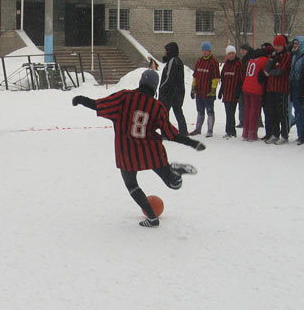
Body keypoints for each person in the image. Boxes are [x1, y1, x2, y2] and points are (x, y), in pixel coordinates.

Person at [72, 70, 206, 227]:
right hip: (151, 152)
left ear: (141, 82)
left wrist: (80, 99)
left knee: (132, 185)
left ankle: (152, 218)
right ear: (155, 87)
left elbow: (99, 105)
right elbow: (171, 134)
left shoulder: (124, 98)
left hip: (127, 153)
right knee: (173, 184)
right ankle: (176, 172)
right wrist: (192, 143)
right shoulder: (158, 107)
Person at [263, 35, 293, 144]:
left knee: (282, 112)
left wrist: (271, 72)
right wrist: (271, 63)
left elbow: (281, 70)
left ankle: (284, 135)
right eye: (275, 45)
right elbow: (266, 68)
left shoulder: (286, 56)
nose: (277, 47)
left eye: (279, 45)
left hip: (281, 88)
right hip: (271, 87)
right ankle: (275, 134)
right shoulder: (273, 55)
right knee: (272, 111)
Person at [190, 41, 220, 137]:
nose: (204, 52)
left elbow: (215, 78)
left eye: (206, 50)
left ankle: (210, 130)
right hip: (199, 91)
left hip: (208, 92)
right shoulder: (199, 61)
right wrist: (193, 88)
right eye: (203, 50)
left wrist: (213, 90)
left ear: (209, 51)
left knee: (210, 111)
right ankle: (198, 129)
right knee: (200, 111)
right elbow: (195, 76)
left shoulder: (213, 62)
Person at [158, 41, 188, 135]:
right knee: (177, 110)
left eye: (166, 50)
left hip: (171, 92)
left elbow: (169, 77)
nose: (164, 52)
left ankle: (165, 132)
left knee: (165, 112)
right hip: (177, 91)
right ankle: (183, 131)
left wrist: (162, 88)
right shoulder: (175, 60)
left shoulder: (173, 61)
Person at [241, 46, 269, 141]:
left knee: (248, 110)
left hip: (246, 86)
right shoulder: (264, 60)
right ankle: (252, 134)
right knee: (254, 112)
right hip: (256, 88)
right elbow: (266, 72)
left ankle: (245, 133)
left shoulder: (251, 60)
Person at [219, 45, 244, 138]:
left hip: (234, 92)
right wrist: (221, 91)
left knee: (231, 113)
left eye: (232, 53)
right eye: (229, 54)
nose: (231, 55)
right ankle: (228, 131)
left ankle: (232, 132)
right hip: (227, 92)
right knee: (228, 113)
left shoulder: (238, 64)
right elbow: (223, 78)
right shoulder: (226, 65)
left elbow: (241, 79)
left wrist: (238, 92)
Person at [289, 36, 304, 143]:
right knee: (297, 112)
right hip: (295, 87)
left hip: (302, 88)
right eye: (294, 44)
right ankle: (300, 133)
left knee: (303, 112)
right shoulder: (294, 56)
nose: (295, 46)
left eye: (297, 44)